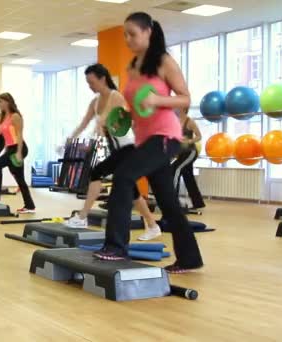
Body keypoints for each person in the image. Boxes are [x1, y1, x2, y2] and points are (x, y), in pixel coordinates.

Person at [93, 12, 203, 274]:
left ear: (148, 32)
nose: (128, 39)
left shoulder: (164, 62)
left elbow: (185, 99)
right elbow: (135, 106)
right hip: (145, 139)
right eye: (125, 35)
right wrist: (120, 117)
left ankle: (116, 247)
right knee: (167, 202)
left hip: (165, 137)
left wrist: (158, 101)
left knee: (123, 176)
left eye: (132, 34)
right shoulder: (133, 66)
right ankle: (190, 258)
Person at [65, 63, 162, 241]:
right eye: (87, 83)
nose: (90, 86)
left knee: (97, 172)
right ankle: (153, 225)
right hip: (117, 149)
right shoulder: (95, 102)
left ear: (103, 79)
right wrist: (71, 138)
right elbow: (84, 123)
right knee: (131, 189)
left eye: (92, 82)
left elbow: (106, 122)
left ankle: (82, 216)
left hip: (129, 147)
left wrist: (98, 132)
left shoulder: (115, 96)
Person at [0, 93, 36, 214]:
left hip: (19, 148)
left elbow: (19, 135)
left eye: (0, 102)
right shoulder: (4, 116)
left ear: (7, 102)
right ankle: (30, 206)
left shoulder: (15, 116)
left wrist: (18, 153)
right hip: (11, 148)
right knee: (19, 179)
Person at [172, 107, 205, 210]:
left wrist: (189, 141)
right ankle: (198, 203)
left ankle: (173, 201)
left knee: (175, 169)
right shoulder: (175, 121)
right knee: (188, 176)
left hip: (190, 152)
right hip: (181, 153)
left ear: (183, 109)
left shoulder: (190, 122)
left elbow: (199, 136)